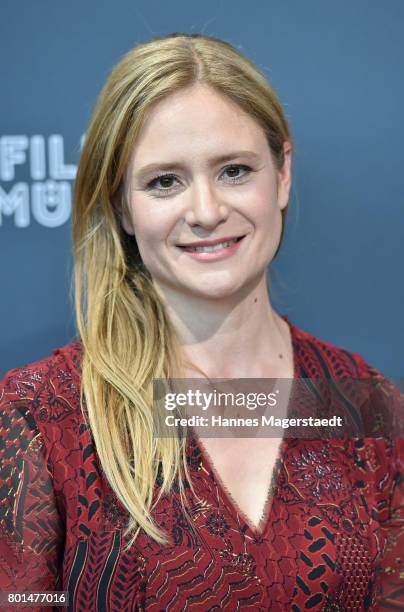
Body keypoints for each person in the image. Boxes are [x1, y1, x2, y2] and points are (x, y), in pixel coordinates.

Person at [0, 33, 403, 611]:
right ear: (121, 206)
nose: (208, 211)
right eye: (165, 181)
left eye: (235, 170)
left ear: (282, 174)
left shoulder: (363, 402)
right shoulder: (40, 416)